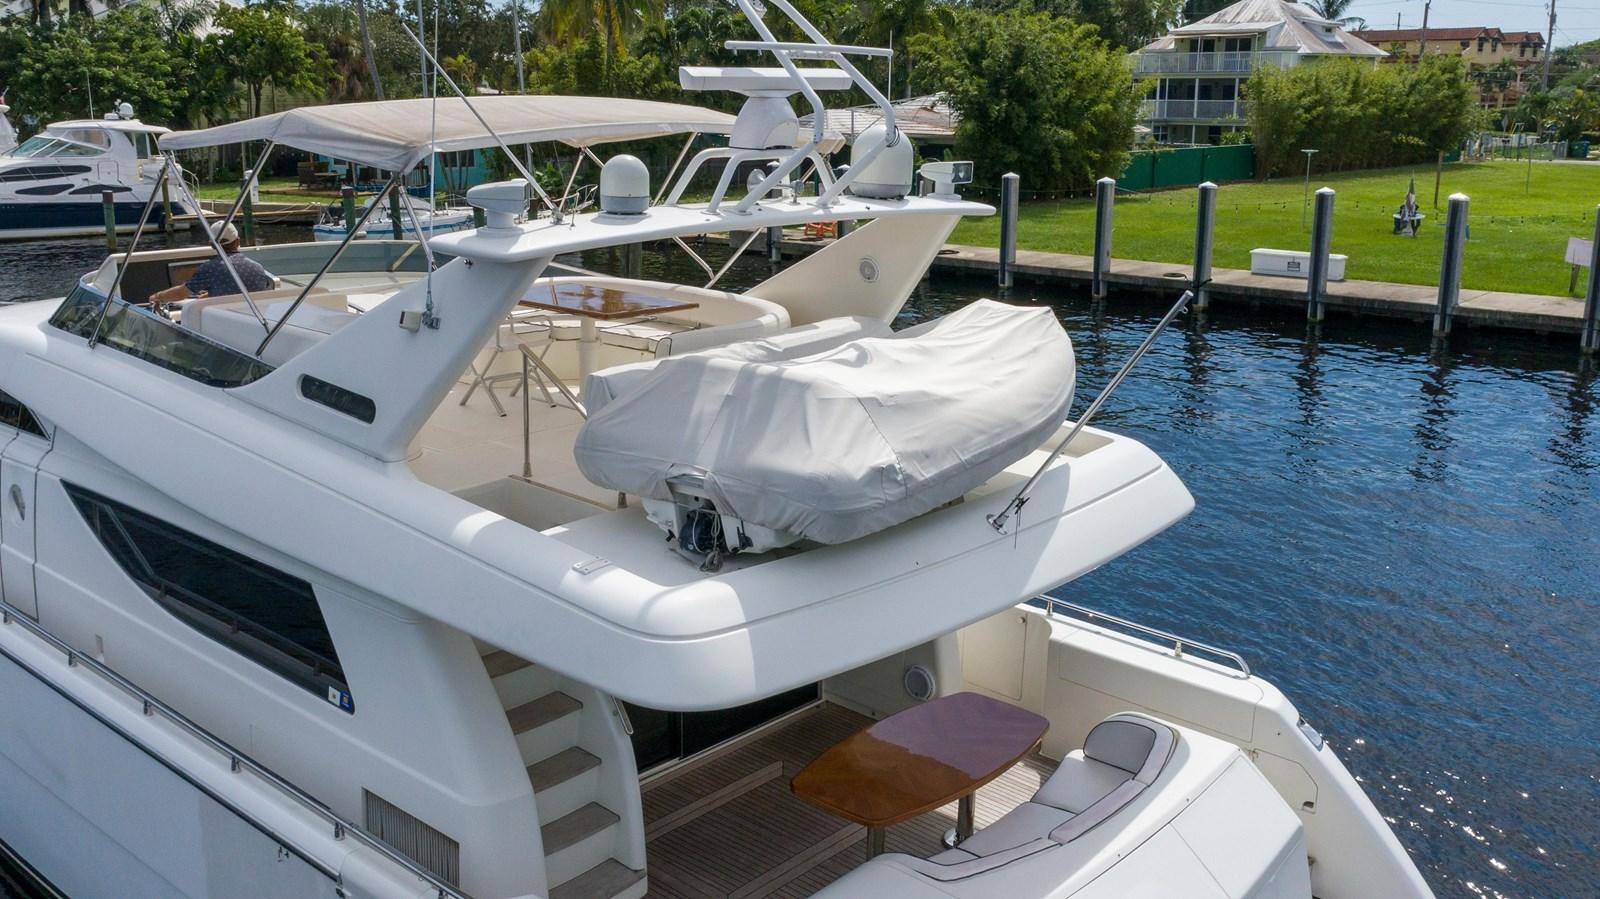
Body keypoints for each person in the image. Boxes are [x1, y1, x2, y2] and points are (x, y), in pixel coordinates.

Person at [151, 222, 275, 303]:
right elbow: (240, 293)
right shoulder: (258, 268)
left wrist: (157, 297)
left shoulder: (209, 269)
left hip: (223, 324)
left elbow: (181, 293)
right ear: (237, 241)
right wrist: (208, 296)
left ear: (212, 245)